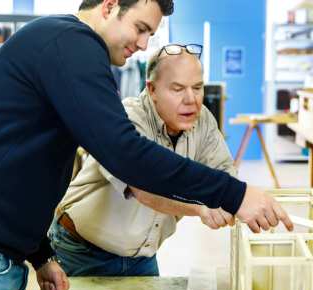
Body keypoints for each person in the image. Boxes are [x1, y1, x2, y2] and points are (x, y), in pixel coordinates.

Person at [0, 0, 293, 290]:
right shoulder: (73, 44)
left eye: (151, 34)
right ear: (109, 6)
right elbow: (127, 154)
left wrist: (39, 255)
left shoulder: (61, 46)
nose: (144, 43)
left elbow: (20, 170)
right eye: (140, 28)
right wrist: (235, 193)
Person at [51, 44, 238, 276]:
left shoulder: (203, 121)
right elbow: (144, 188)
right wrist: (202, 208)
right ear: (152, 90)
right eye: (178, 89)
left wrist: (235, 199)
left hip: (141, 255)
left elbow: (224, 172)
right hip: (82, 250)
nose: (191, 99)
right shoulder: (125, 120)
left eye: (197, 88)